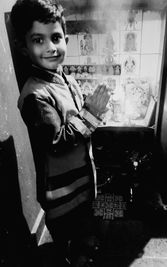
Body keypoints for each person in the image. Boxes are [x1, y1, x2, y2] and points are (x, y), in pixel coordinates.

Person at [10, 0, 111, 266]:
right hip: (62, 199)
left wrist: (91, 112)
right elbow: (57, 141)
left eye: (55, 37)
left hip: (81, 187)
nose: (51, 47)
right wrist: (91, 114)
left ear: (65, 39)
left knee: (85, 236)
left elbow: (76, 121)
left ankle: (86, 250)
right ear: (23, 46)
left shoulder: (66, 79)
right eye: (38, 40)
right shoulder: (35, 96)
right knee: (70, 246)